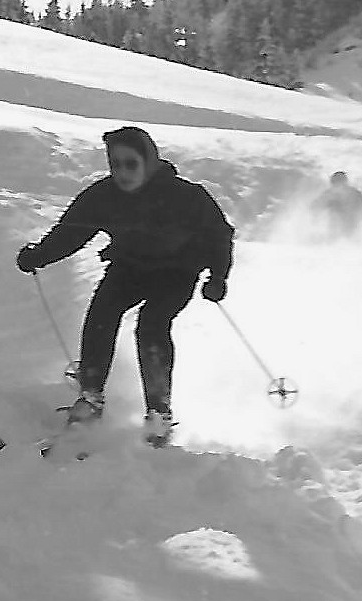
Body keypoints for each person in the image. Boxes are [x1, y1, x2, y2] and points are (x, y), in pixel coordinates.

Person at [16, 126, 234, 444]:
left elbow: (219, 234)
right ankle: (91, 397)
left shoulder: (185, 196)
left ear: (149, 161)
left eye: (130, 163)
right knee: (102, 313)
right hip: (130, 266)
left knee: (152, 324)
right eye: (115, 164)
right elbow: (72, 231)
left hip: (177, 272)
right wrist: (41, 255)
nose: (122, 172)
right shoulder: (105, 196)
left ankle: (159, 413)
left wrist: (218, 276)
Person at [313, 169, 362, 239]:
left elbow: (316, 205)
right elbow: (317, 205)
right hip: (347, 223)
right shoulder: (356, 192)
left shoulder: (331, 193)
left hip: (345, 222)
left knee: (339, 238)